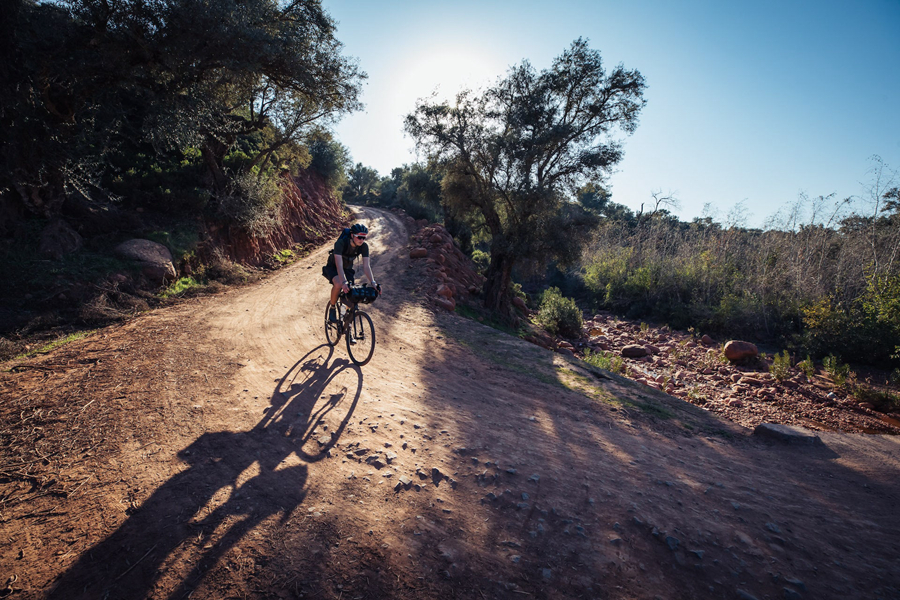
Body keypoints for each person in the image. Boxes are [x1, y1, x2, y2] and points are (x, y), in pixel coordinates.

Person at [322, 223, 381, 322]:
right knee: (339, 283)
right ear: (352, 235)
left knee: (352, 295)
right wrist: (344, 282)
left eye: (364, 238)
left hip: (347, 270)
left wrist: (373, 282)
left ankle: (347, 324)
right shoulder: (341, 243)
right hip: (333, 267)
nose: (361, 240)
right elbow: (339, 265)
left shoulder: (364, 246)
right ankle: (332, 308)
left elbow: (366, 266)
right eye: (359, 237)